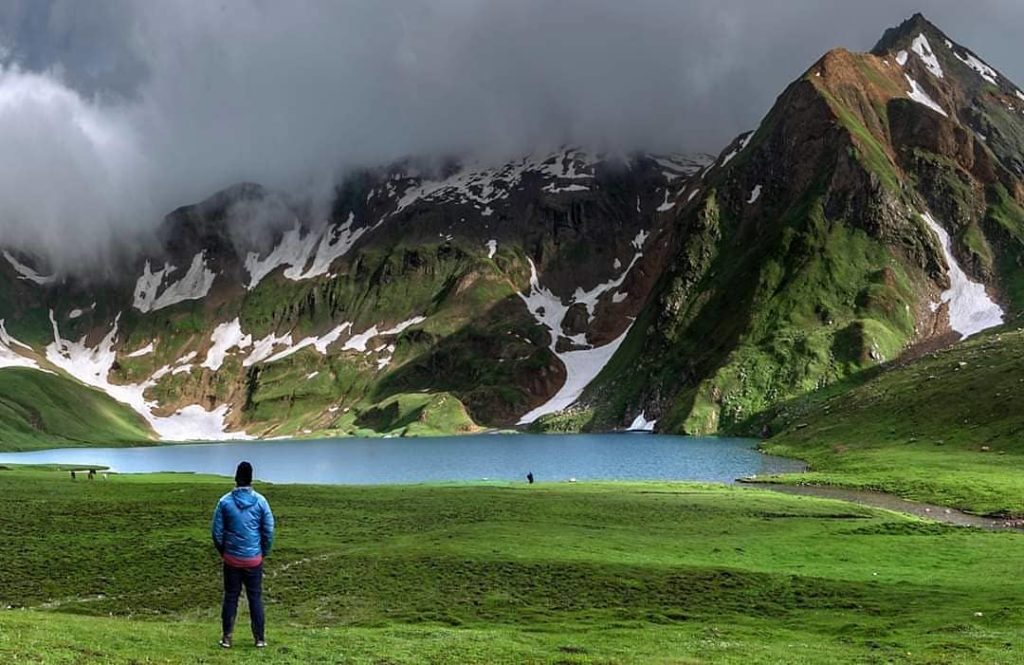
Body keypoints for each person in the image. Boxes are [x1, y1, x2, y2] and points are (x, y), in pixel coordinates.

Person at [211, 461, 275, 649]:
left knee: (231, 596)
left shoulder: (224, 502)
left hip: (231, 558)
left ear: (236, 478)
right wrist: (263, 552)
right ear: (251, 479)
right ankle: (260, 639)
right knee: (255, 597)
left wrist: (224, 551)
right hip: (254, 559)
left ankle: (227, 638)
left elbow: (216, 532)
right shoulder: (261, 502)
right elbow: (269, 530)